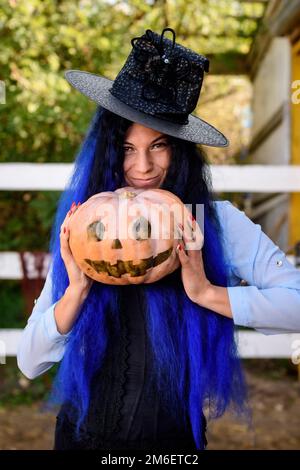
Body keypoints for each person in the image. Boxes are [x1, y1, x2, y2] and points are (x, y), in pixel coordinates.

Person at [17, 28, 300, 451]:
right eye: (128, 149)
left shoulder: (215, 222)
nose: (143, 167)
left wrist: (206, 292)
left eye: (159, 146)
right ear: (110, 152)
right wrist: (76, 289)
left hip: (173, 445)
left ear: (181, 150)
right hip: (81, 439)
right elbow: (30, 360)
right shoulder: (89, 225)